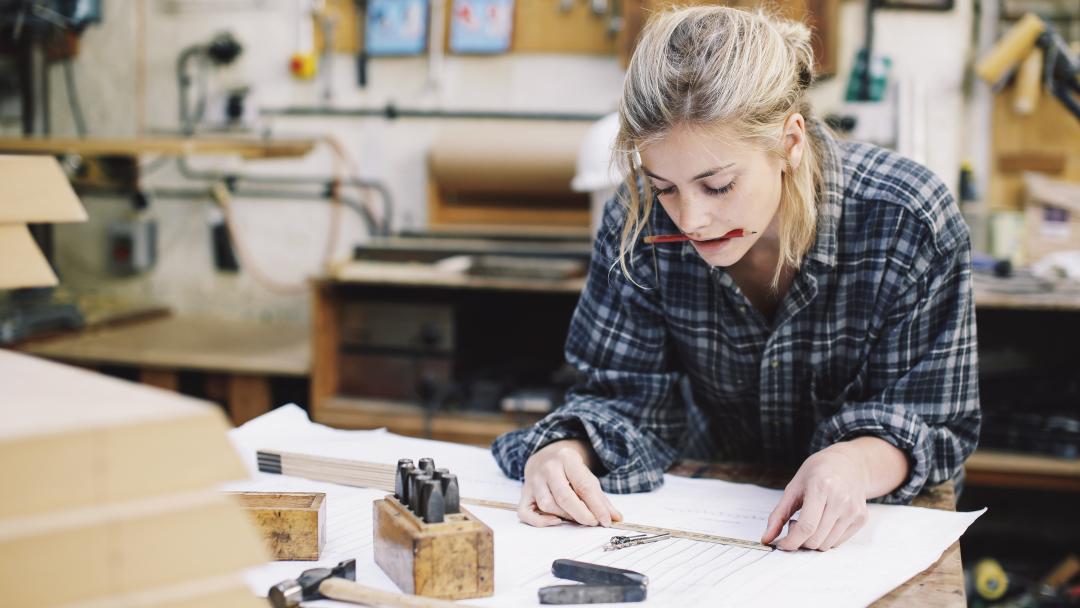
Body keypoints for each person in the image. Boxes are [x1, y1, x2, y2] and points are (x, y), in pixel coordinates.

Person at [491, 5, 980, 552]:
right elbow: (624, 397)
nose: (691, 218)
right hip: (713, 522)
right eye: (664, 186)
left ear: (789, 143)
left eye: (718, 185)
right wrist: (565, 451)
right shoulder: (638, 223)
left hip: (878, 531)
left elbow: (934, 420)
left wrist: (849, 465)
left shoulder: (907, 222)